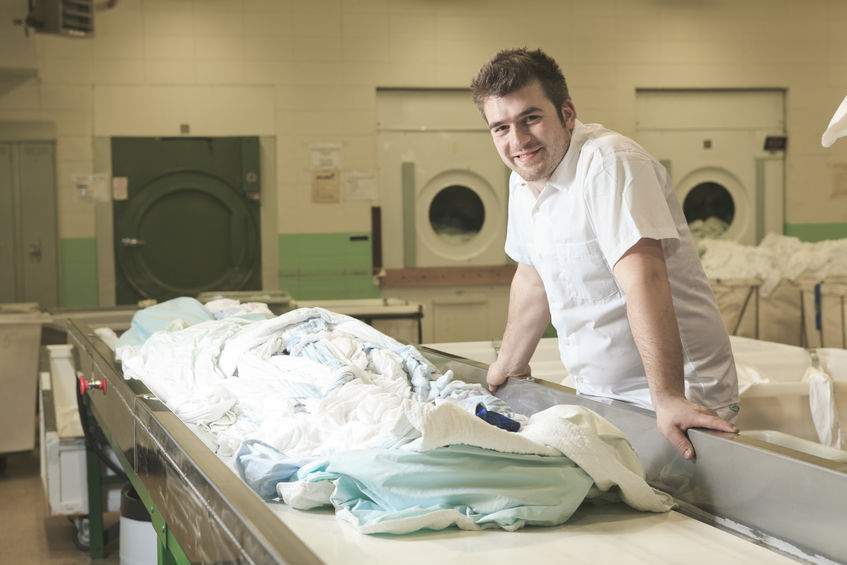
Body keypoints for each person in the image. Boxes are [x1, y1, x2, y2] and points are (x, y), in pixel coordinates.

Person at [470, 48, 739, 460]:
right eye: (500, 128)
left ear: (567, 113)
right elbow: (533, 276)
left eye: (531, 119)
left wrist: (667, 396)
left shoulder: (610, 163)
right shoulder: (522, 180)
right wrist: (509, 365)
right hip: (602, 395)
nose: (518, 141)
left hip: (678, 397)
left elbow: (644, 277)